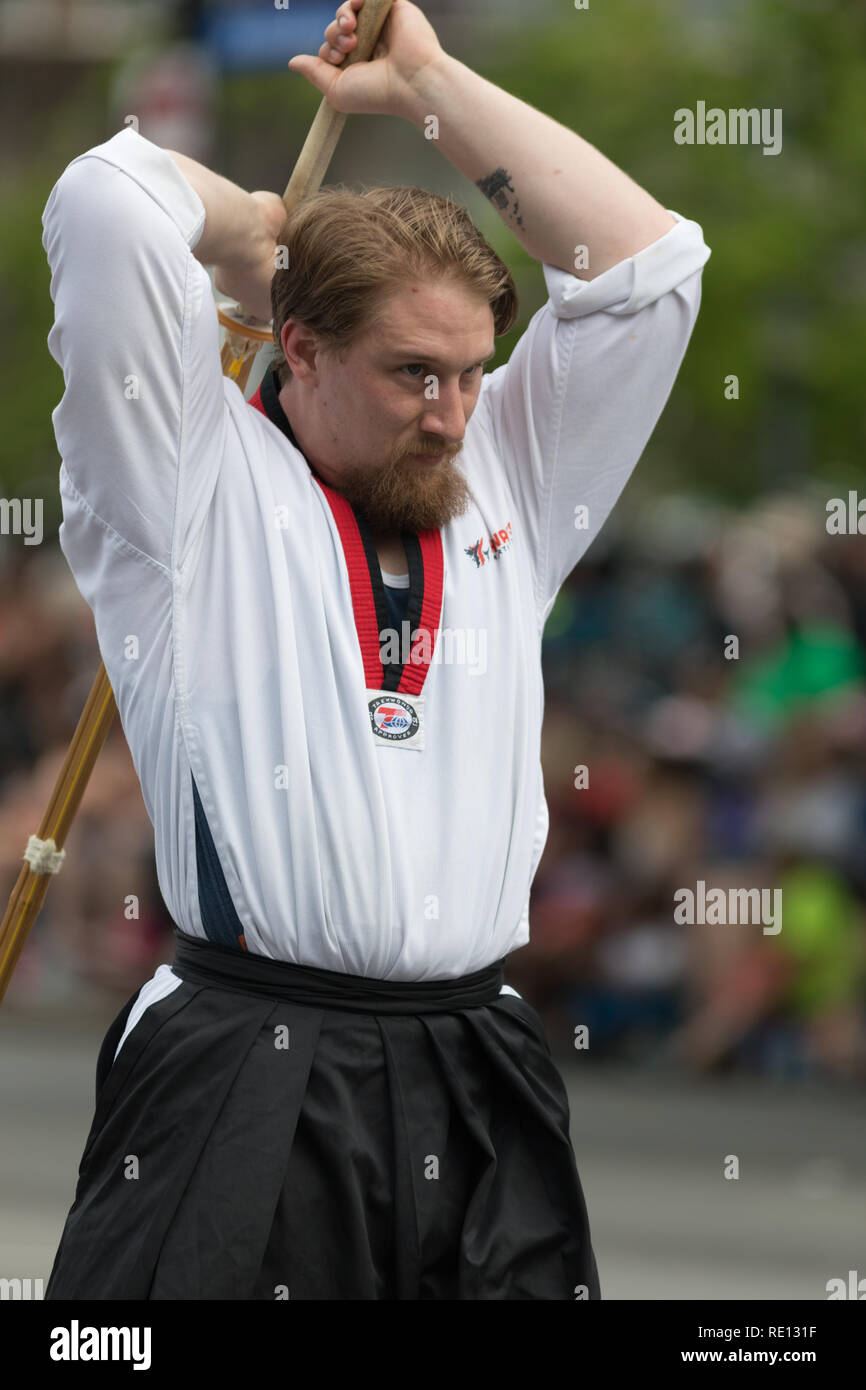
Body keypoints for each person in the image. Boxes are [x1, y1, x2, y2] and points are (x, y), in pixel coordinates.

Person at [41, 0, 710, 1299]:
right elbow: (102, 202)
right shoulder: (178, 483)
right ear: (297, 350)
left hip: (476, 1055)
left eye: (471, 372)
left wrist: (428, 84)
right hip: (244, 1057)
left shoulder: (508, 471)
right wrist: (244, 237)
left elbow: (650, 269)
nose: (453, 413)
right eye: (413, 373)